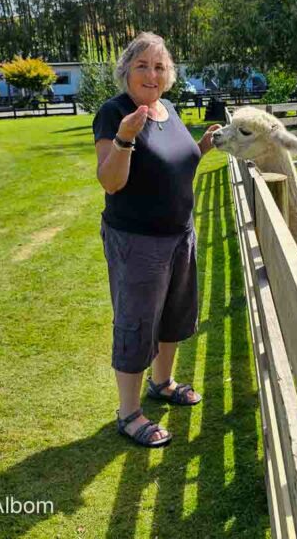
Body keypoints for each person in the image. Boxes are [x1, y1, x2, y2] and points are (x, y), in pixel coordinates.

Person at [93, 32, 221, 448]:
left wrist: (200, 148)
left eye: (160, 66)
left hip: (179, 233)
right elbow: (111, 182)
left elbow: (175, 165)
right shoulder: (114, 113)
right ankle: (128, 412)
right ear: (126, 71)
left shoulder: (169, 109)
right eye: (143, 65)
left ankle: (162, 382)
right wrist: (125, 138)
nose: (152, 73)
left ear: (170, 76)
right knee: (136, 320)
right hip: (137, 240)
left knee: (175, 314)